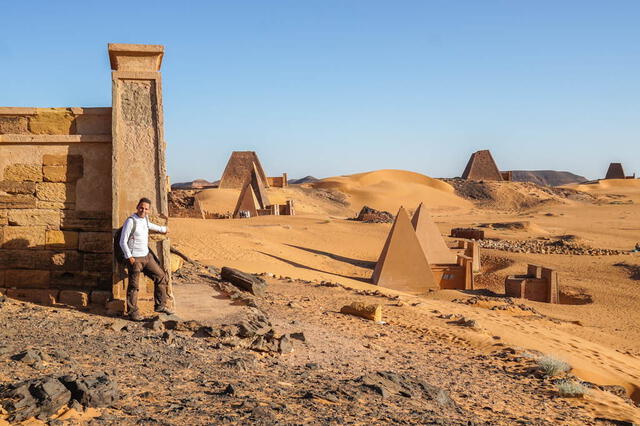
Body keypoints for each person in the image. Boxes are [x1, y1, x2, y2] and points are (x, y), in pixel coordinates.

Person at [120, 197, 173, 321]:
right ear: (137, 207)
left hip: (147, 256)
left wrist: (163, 229)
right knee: (134, 286)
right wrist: (129, 257)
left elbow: (150, 226)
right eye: (141, 208)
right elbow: (123, 241)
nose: (143, 210)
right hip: (135, 259)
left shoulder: (145, 219)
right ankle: (132, 312)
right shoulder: (131, 221)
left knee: (161, 276)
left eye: (146, 209)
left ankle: (160, 306)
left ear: (149, 210)